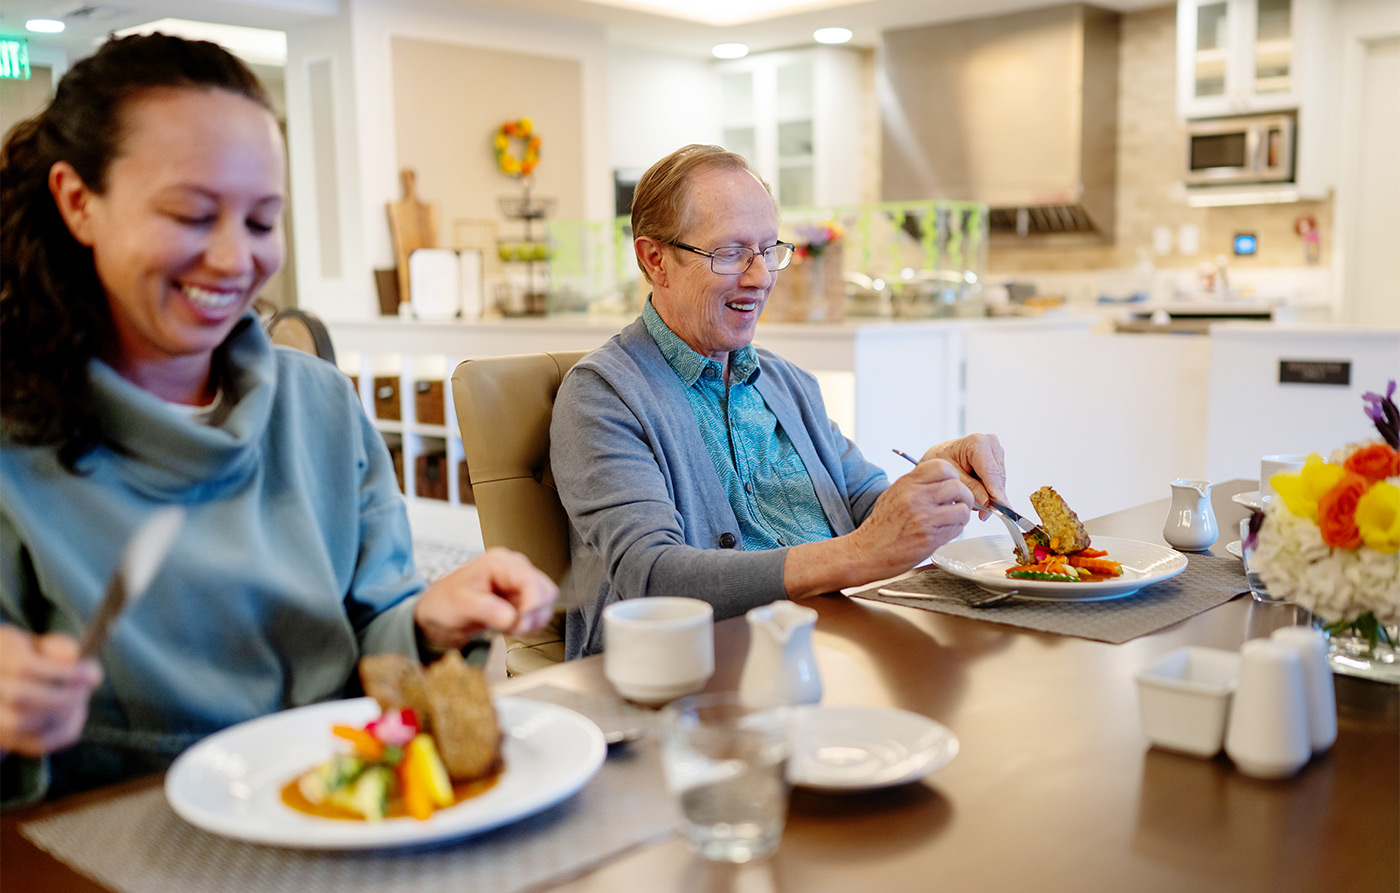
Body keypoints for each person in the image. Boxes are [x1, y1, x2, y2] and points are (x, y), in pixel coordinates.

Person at [0, 34, 556, 806]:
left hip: (337, 818)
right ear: (76, 201)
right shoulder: (14, 439)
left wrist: (427, 620)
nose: (234, 260)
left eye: (262, 222)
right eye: (193, 214)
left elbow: (373, 634)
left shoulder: (318, 404)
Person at [550, 144, 1008, 658]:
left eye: (769, 250)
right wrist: (858, 553)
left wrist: (931, 480)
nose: (760, 276)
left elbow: (864, 506)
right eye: (729, 253)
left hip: (830, 649)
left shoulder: (788, 384)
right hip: (695, 676)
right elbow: (654, 577)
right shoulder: (603, 396)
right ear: (655, 260)